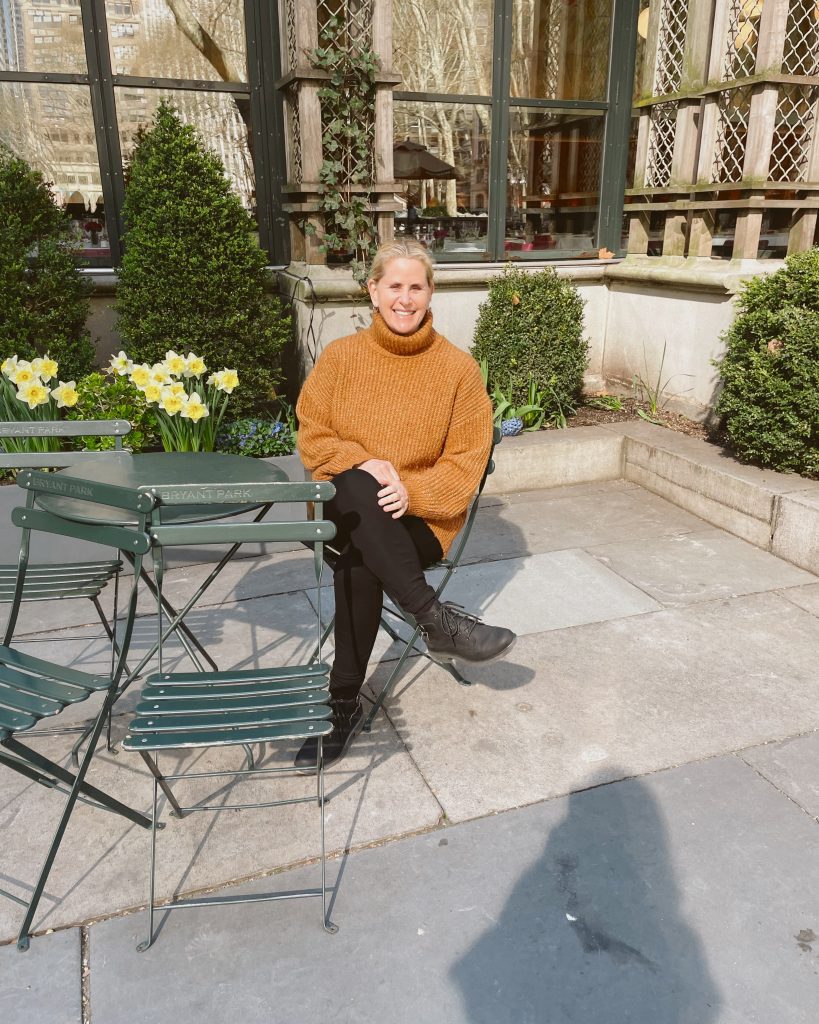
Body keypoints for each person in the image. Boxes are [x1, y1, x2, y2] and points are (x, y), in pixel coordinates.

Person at [294, 239, 516, 769]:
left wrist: (410, 490)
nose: (405, 298)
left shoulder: (459, 370)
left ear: (430, 292)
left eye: (416, 286)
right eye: (394, 285)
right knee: (354, 488)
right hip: (340, 508)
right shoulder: (340, 358)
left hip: (417, 521)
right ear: (373, 291)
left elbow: (465, 465)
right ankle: (435, 618)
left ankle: (341, 702)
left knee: (359, 560)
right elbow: (313, 435)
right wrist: (364, 465)